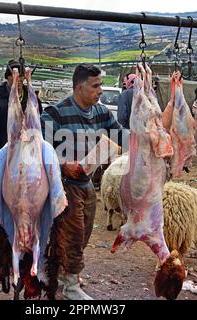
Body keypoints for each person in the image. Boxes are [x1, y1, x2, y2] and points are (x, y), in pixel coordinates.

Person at [40, 63, 128, 300]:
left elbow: (119, 133)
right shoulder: (55, 113)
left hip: (87, 183)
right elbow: (40, 148)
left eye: (100, 84)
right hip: (63, 186)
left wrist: (145, 136)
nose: (100, 90)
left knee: (85, 233)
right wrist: (63, 163)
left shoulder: (101, 112)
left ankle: (58, 272)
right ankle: (70, 287)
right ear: (79, 87)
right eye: (95, 85)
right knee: (74, 234)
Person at [0, 59, 43, 161]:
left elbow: (40, 122)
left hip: (28, 153)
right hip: (2, 152)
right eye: (14, 77)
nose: (19, 80)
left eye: (21, 77)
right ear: (8, 78)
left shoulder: (31, 98)